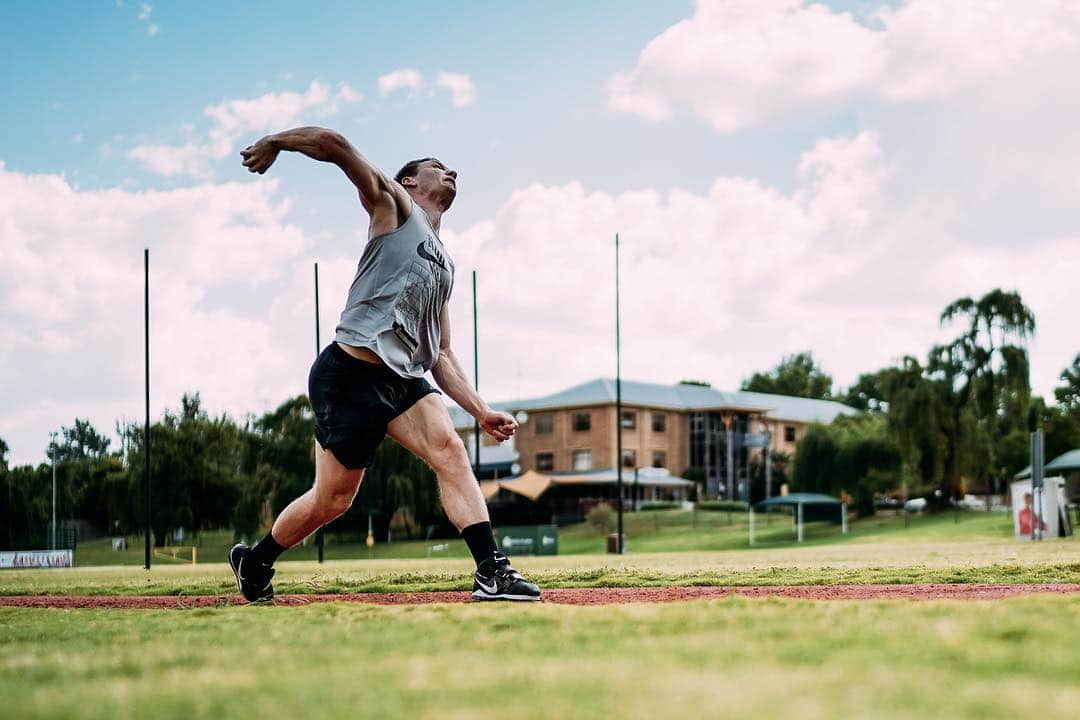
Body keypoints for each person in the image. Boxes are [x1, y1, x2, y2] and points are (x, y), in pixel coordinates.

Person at [228, 127, 540, 603]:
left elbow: (440, 353)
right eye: (437, 165)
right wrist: (277, 142)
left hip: (404, 380)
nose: (450, 170)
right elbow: (335, 145)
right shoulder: (394, 207)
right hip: (350, 375)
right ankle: (256, 560)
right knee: (332, 499)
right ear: (410, 182)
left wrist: (480, 410)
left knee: (450, 450)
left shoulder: (445, 264)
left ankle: (491, 571)